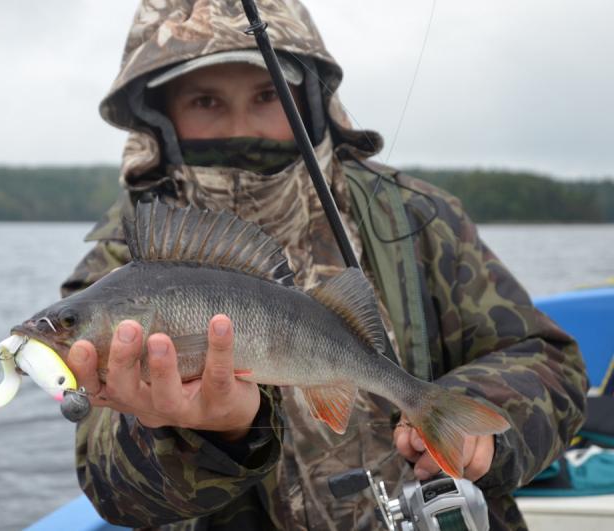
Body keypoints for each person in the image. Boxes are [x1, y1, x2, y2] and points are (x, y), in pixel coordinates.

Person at [59, 1, 588, 529]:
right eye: (205, 101)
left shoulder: (416, 219)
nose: (241, 124)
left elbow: (549, 361)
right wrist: (208, 435)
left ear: (309, 99)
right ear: (159, 117)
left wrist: (475, 420)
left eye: (268, 94)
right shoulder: (120, 266)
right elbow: (109, 486)